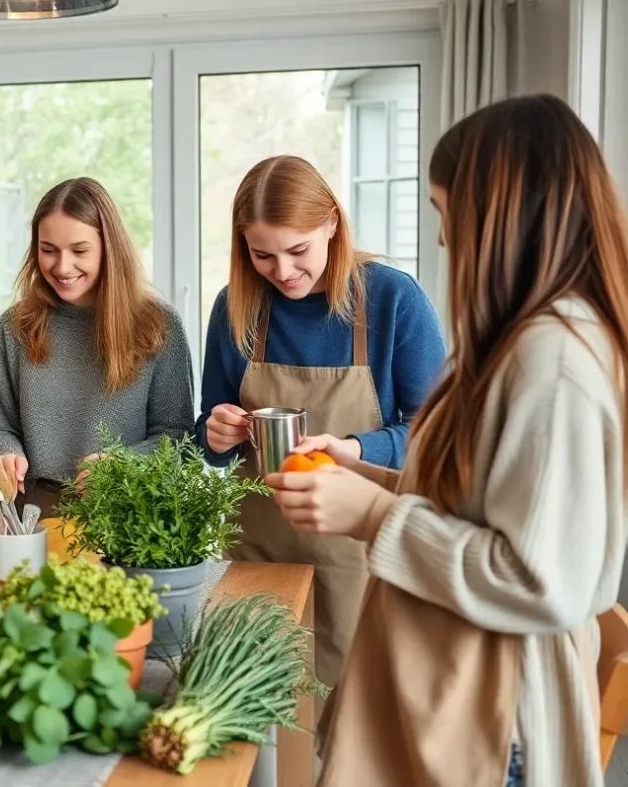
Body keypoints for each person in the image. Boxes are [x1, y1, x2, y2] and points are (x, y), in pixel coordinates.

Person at [268, 95, 628, 786]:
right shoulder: (518, 342)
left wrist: (375, 515)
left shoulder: (554, 360)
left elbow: (539, 581)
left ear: (501, 215)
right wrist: (365, 478)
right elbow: (478, 505)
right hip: (447, 694)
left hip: (487, 723)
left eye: (445, 211)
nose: (442, 239)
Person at [193, 155, 446, 690]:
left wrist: (357, 449)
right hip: (259, 555)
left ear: (332, 223)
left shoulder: (393, 300)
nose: (283, 272)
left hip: (362, 558)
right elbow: (209, 437)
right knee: (259, 712)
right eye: (263, 255)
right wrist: (216, 434)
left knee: (353, 713)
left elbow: (437, 434)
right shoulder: (235, 307)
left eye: (298, 250)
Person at [0, 177, 194, 516]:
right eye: (48, 250)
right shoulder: (15, 326)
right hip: (35, 516)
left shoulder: (159, 325)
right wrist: (5, 454)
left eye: (79, 251)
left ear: (109, 247)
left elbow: (177, 438)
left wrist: (121, 464)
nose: (62, 266)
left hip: (129, 514)